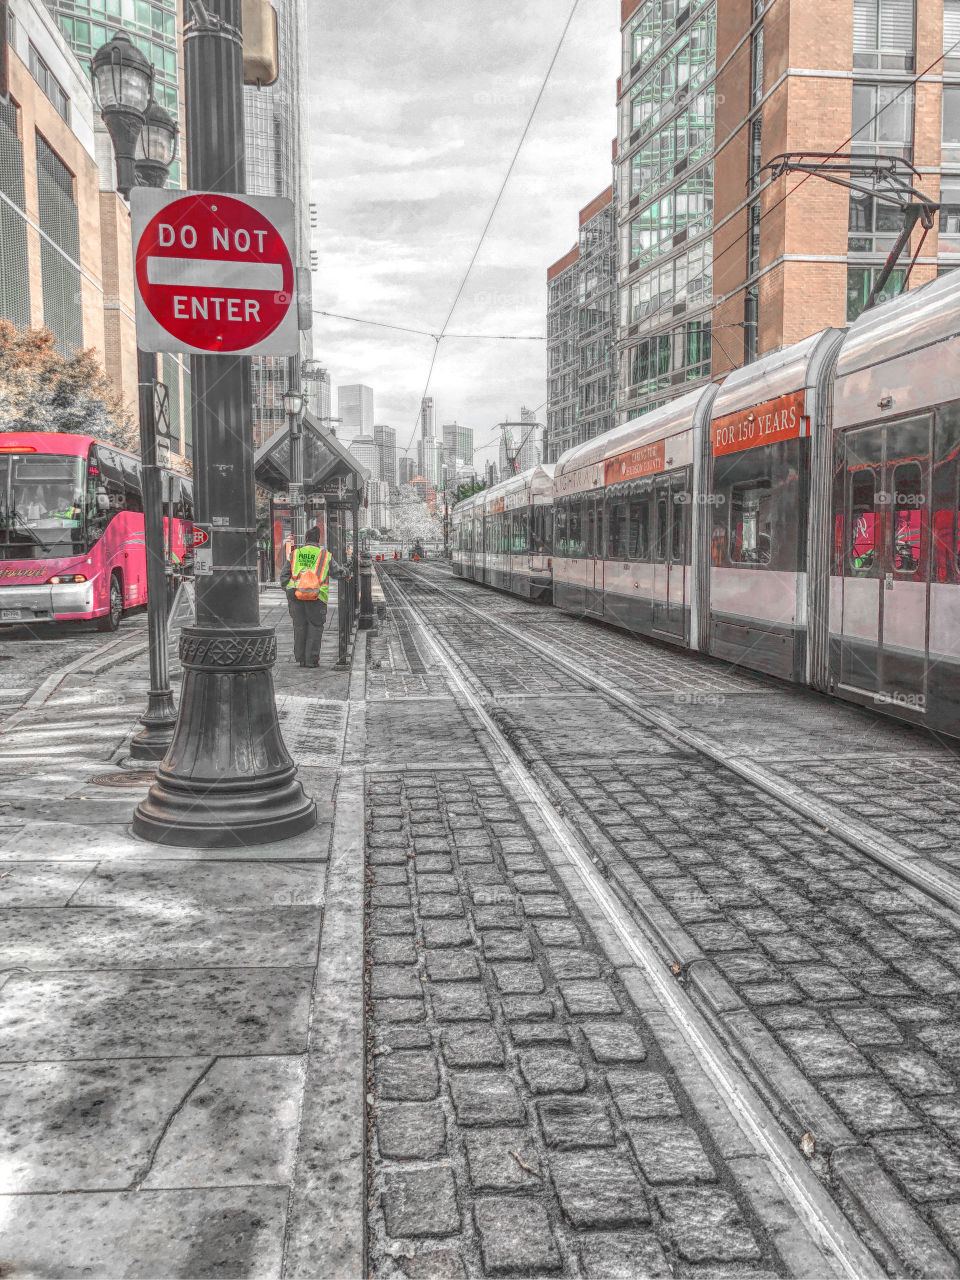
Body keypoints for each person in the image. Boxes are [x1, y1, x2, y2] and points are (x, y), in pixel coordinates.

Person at [280, 527, 346, 667]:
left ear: (305, 539)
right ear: (318, 540)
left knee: (299, 626)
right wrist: (347, 573)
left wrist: (288, 589)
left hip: (296, 595)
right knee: (315, 627)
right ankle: (312, 660)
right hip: (317, 596)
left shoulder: (295, 553)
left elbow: (284, 575)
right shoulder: (324, 555)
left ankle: (301, 659)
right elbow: (336, 572)